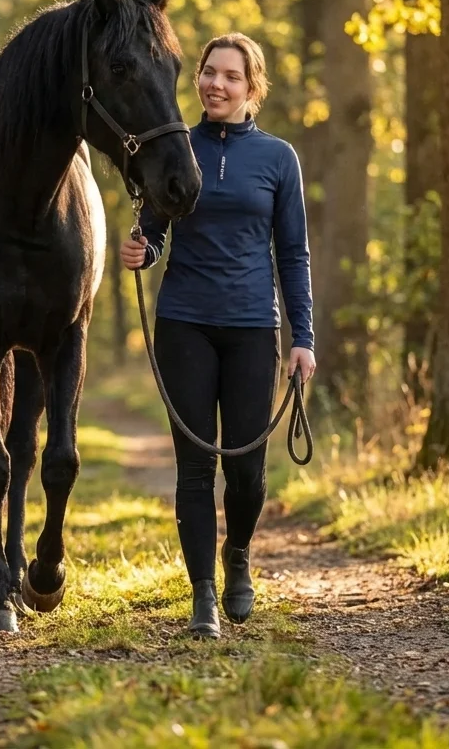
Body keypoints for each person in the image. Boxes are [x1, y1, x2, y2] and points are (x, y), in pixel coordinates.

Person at [120, 32, 316, 639]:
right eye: (208, 73)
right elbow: (153, 227)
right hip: (185, 323)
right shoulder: (177, 148)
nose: (216, 85)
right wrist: (141, 249)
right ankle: (202, 592)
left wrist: (302, 336)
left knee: (249, 475)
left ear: (252, 89)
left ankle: (238, 560)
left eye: (231, 77)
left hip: (255, 327)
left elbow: (293, 253)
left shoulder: (279, 159)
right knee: (194, 468)